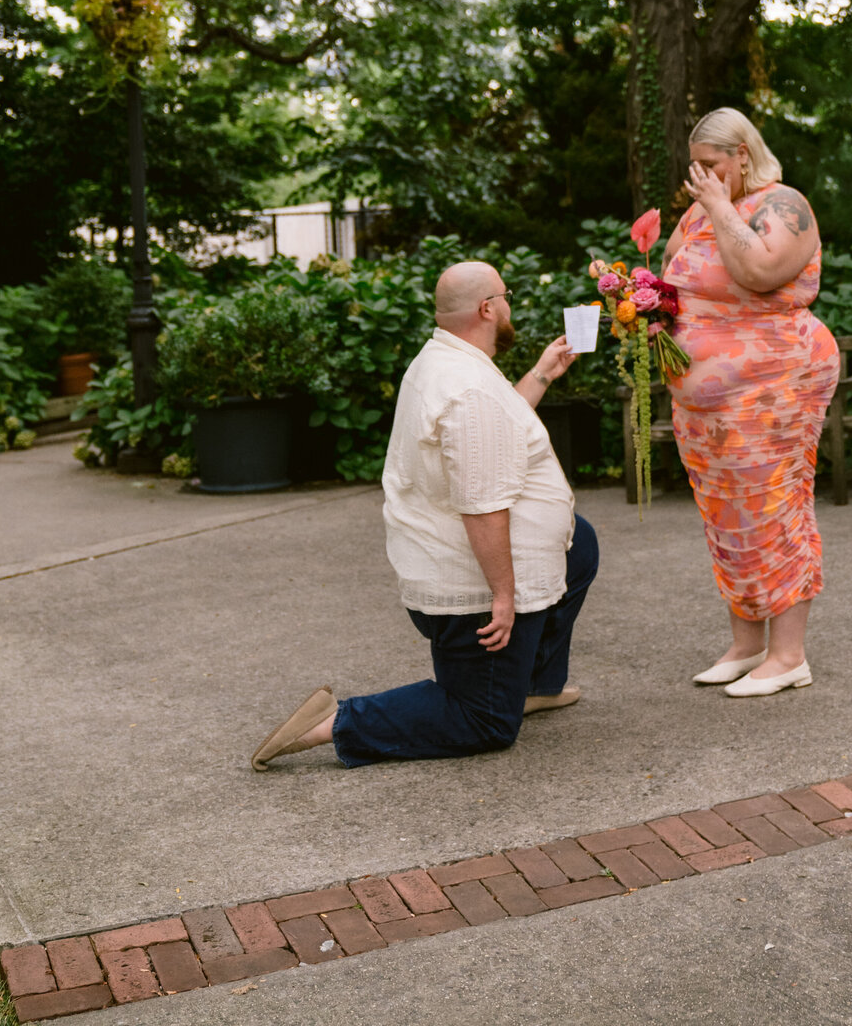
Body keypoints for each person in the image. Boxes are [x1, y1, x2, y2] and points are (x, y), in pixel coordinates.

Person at [251, 261, 598, 769]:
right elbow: (482, 506)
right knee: (482, 720)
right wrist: (505, 594)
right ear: (487, 308)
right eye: (505, 296)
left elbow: (496, 430)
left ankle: (531, 684)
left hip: (463, 555)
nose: (509, 306)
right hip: (469, 590)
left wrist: (543, 373)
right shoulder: (470, 386)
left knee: (579, 544)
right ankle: (336, 721)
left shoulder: (447, 358)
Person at [663, 108, 839, 697]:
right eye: (697, 169)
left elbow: (760, 271)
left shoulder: (784, 205)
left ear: (742, 154)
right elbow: (673, 281)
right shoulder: (697, 211)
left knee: (773, 506)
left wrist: (716, 208)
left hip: (775, 386)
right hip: (705, 404)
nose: (702, 178)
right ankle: (746, 645)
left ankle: (789, 655)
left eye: (712, 166)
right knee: (726, 515)